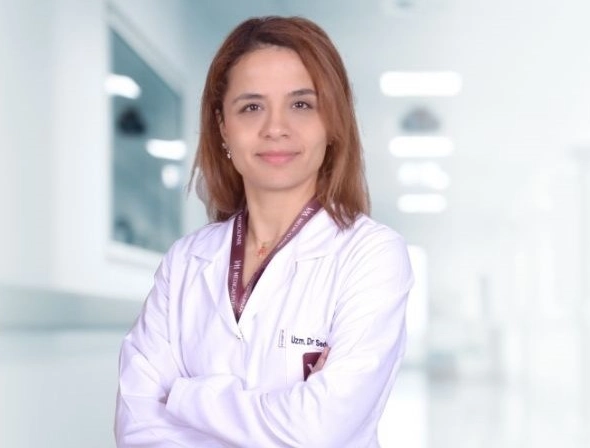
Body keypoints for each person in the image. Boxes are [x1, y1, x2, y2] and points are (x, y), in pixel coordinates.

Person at [115, 15, 414, 448]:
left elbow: (320, 430)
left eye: (301, 105)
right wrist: (285, 411)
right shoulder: (185, 262)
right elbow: (137, 427)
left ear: (332, 123)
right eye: (251, 107)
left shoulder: (372, 255)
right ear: (222, 127)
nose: (276, 128)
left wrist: (183, 396)